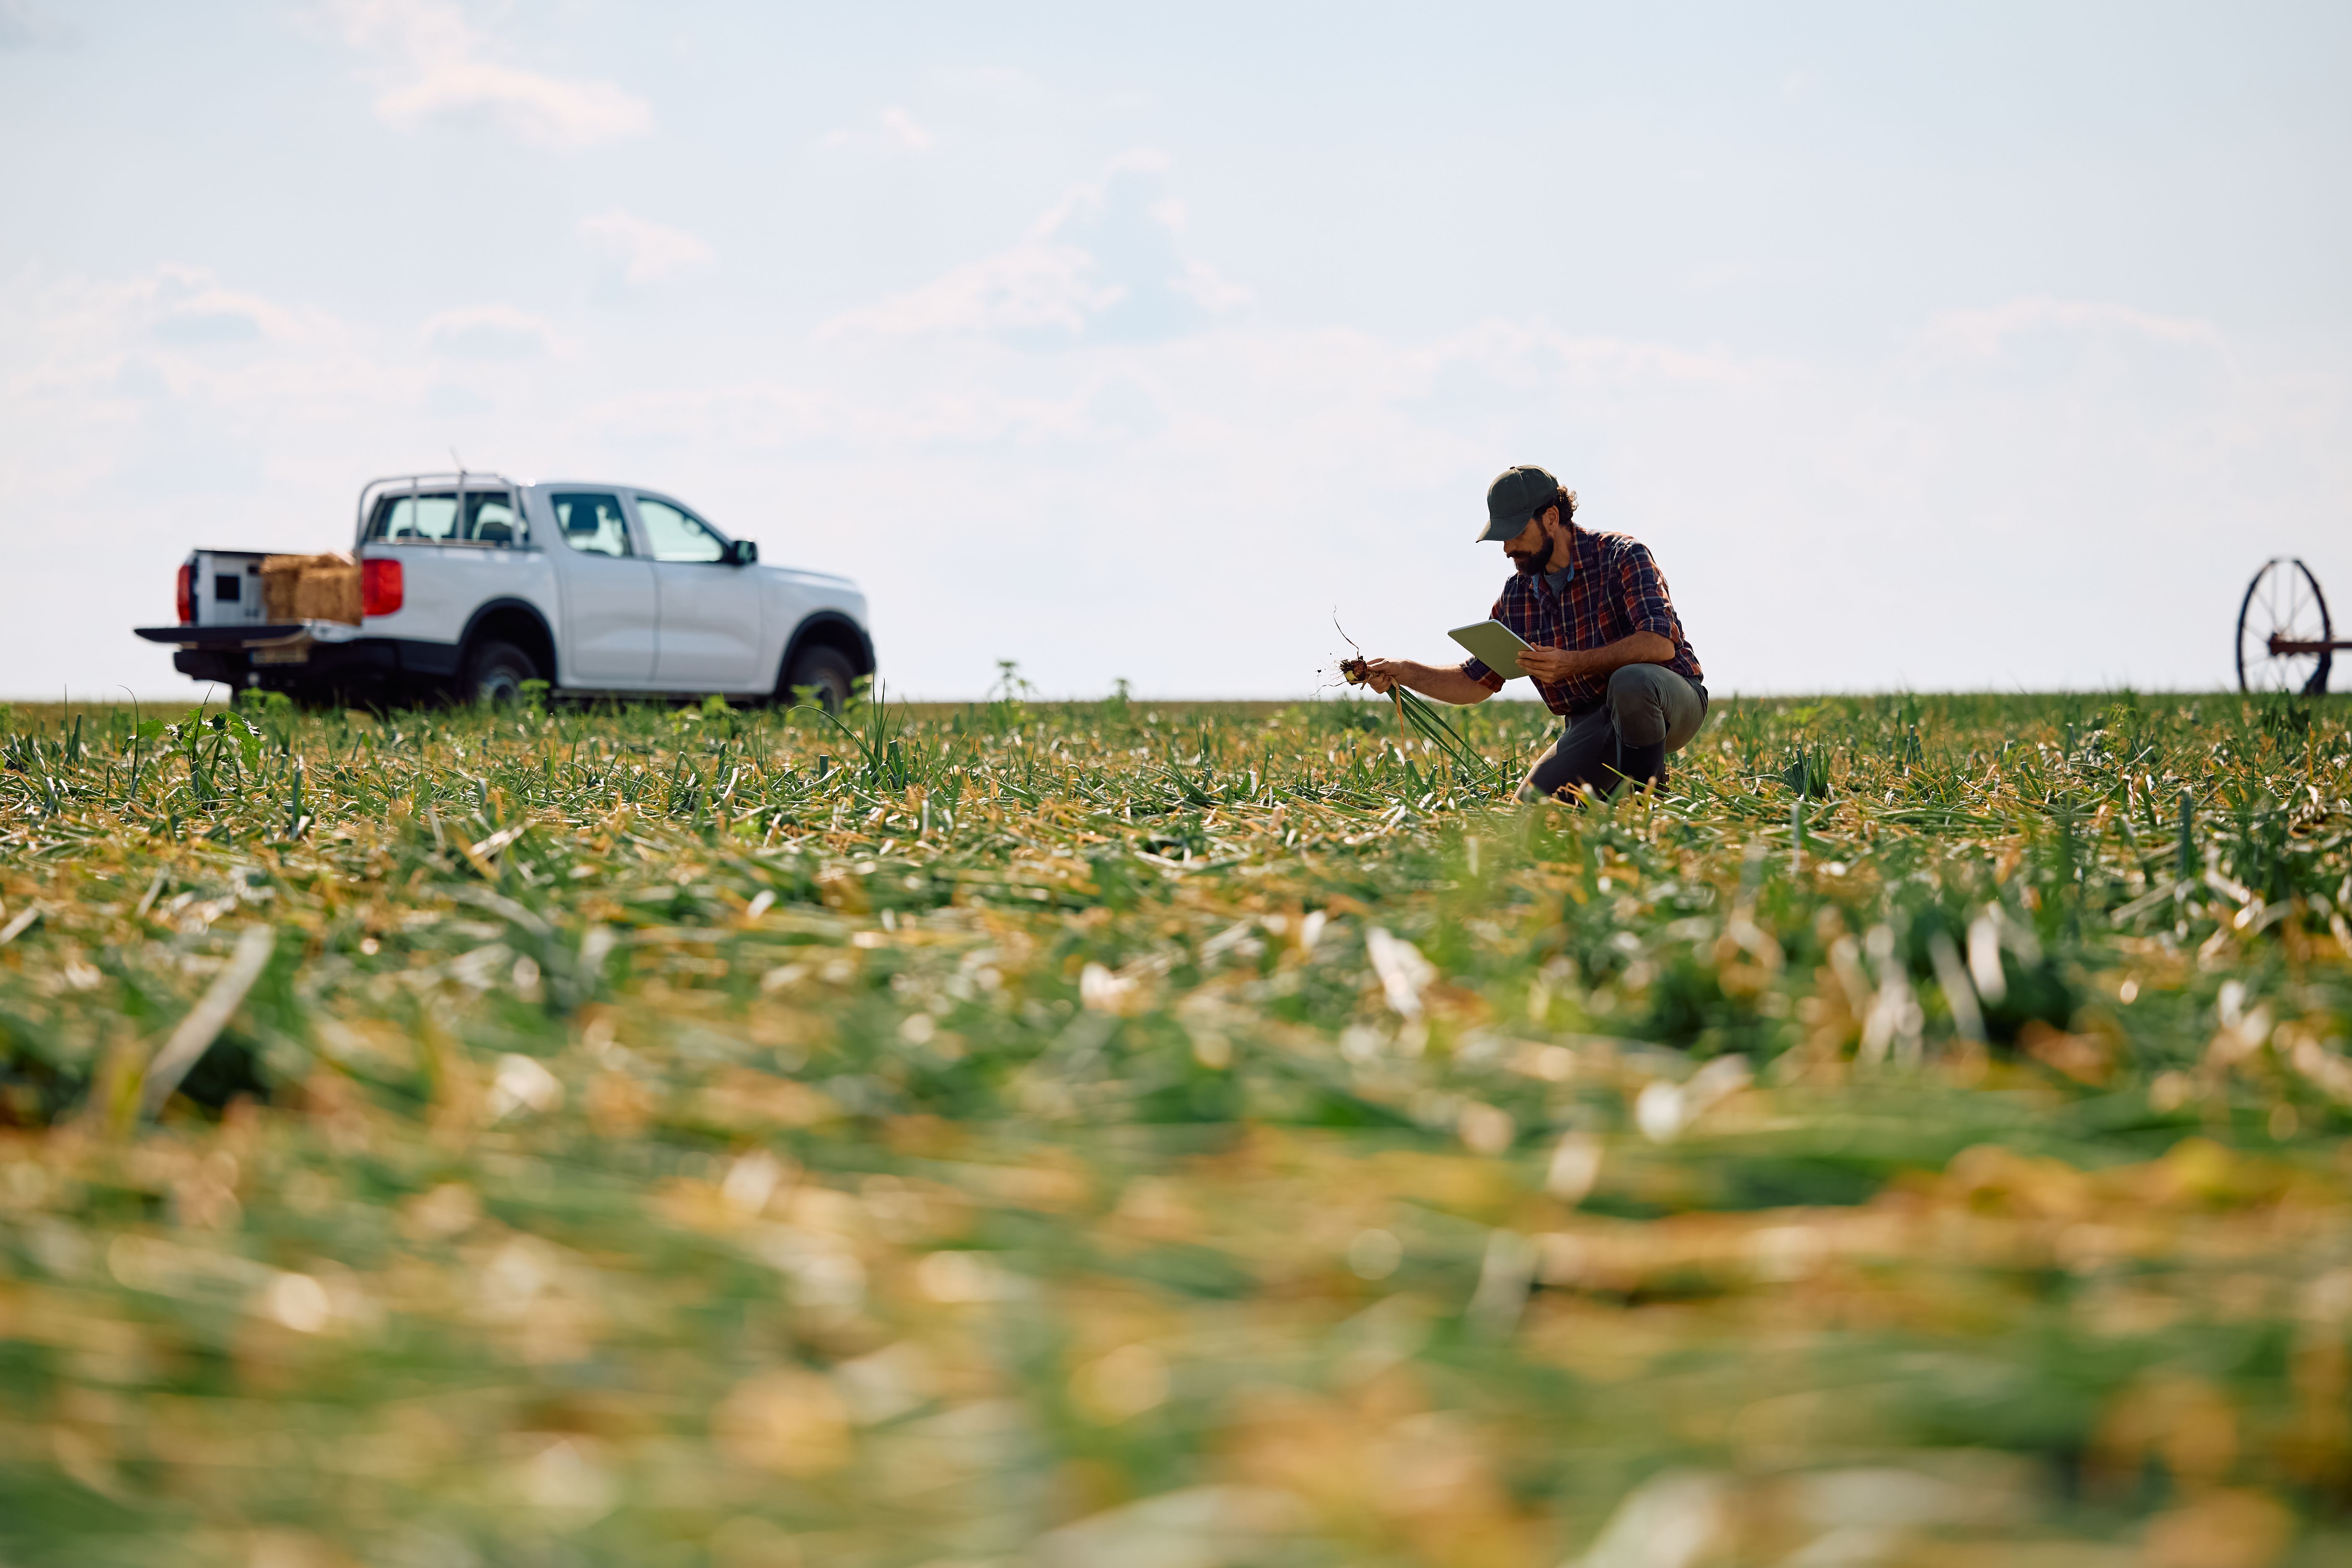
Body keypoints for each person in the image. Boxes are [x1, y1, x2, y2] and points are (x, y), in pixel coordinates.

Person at [1361, 465, 1707, 799]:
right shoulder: (1517, 595)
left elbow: (1660, 644)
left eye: (1516, 533)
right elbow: (1474, 682)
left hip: (1668, 703)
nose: (1507, 548)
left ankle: (1647, 801)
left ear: (1552, 518)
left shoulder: (1623, 556)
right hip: (1593, 722)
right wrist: (1405, 672)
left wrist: (1573, 663)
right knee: (1533, 807)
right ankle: (1613, 786)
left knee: (1631, 682)